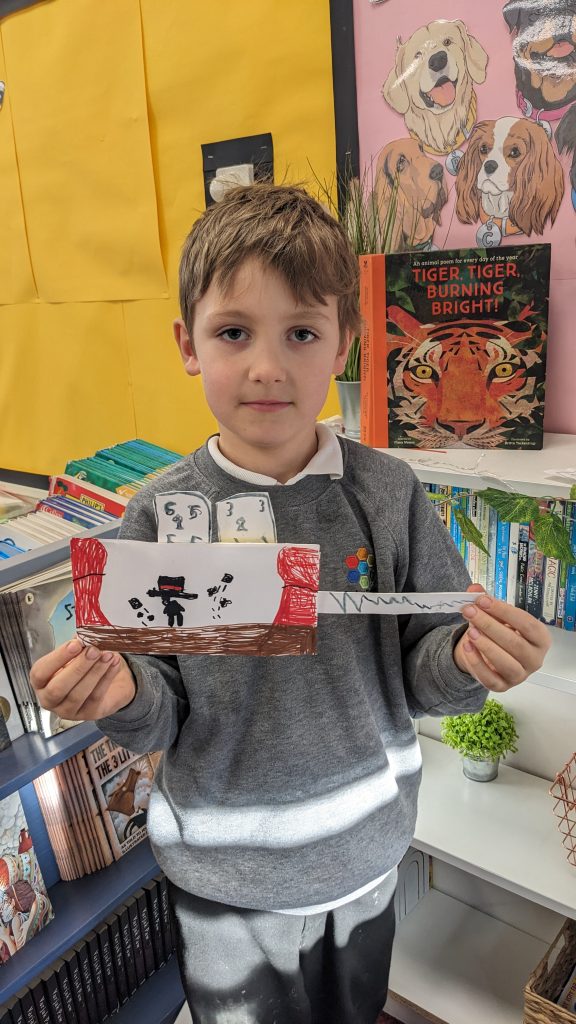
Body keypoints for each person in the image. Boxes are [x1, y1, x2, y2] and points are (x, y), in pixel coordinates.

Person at [30, 183, 551, 1024]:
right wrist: (119, 694)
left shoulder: (387, 492)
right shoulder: (158, 513)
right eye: (234, 332)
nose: (267, 366)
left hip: (365, 855)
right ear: (187, 344)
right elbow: (155, 713)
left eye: (301, 333)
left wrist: (468, 661)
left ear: (345, 343)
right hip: (224, 877)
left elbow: (426, 670)